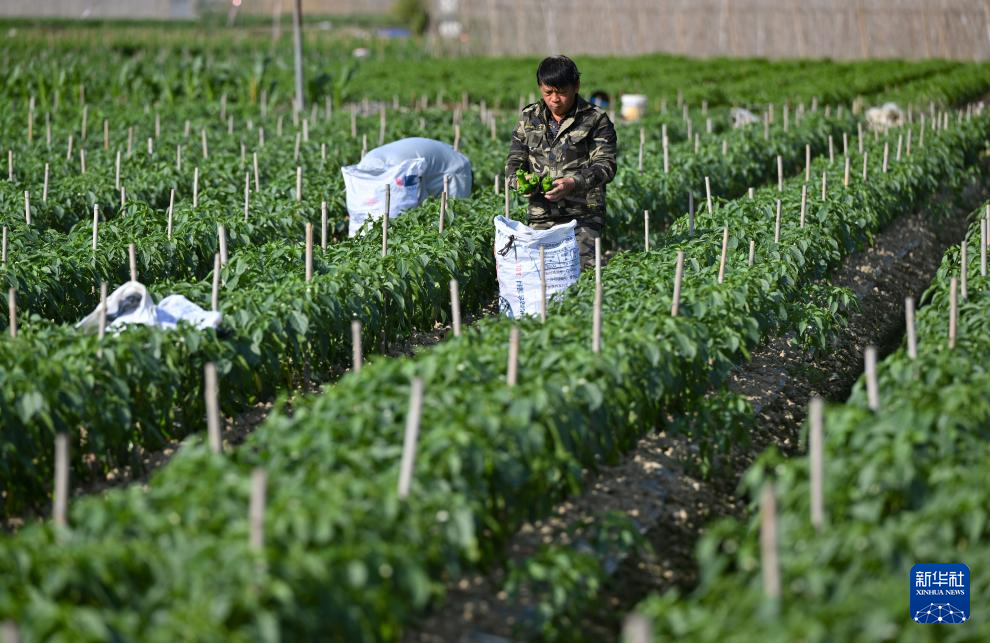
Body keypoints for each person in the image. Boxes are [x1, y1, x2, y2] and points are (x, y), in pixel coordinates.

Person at [505, 56, 617, 269]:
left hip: (583, 215)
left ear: (576, 86)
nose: (555, 99)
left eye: (562, 92)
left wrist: (573, 183)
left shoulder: (595, 119)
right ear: (540, 88)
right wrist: (520, 182)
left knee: (583, 274)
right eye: (548, 92)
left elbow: (606, 165)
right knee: (542, 275)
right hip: (541, 215)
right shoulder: (529, 118)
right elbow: (514, 162)